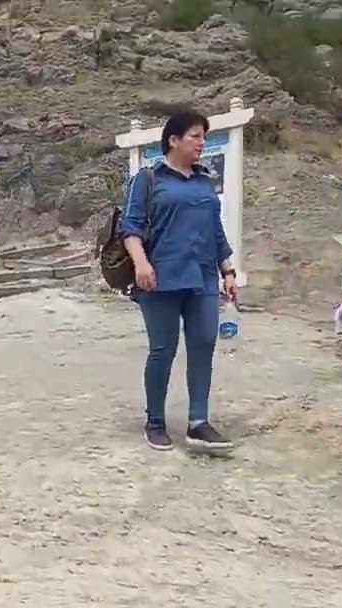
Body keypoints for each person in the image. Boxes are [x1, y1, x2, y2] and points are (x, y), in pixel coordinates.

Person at [118, 110, 237, 453]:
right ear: (173, 140)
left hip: (202, 278)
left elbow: (215, 231)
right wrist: (141, 263)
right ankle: (155, 422)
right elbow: (130, 227)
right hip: (160, 279)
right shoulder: (148, 179)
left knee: (204, 344)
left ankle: (198, 423)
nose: (202, 143)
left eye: (204, 137)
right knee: (163, 350)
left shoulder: (203, 182)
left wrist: (228, 270)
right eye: (195, 136)